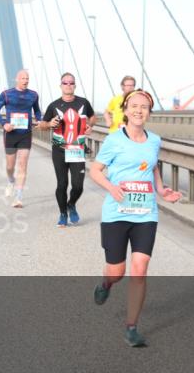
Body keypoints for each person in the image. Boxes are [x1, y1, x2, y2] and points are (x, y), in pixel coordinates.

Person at [90, 89, 181, 347]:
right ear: (126, 110)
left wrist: (162, 190)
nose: (139, 110)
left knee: (139, 270)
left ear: (149, 112)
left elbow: (152, 166)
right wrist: (112, 188)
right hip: (116, 213)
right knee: (117, 272)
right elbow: (95, 171)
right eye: (134, 106)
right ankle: (107, 283)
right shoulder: (114, 140)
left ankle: (131, 327)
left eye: (144, 107)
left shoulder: (154, 140)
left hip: (145, 214)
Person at [39, 73, 95, 227]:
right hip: (59, 150)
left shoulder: (83, 102)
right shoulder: (53, 105)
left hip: (77, 149)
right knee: (62, 184)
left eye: (71, 83)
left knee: (78, 186)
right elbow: (42, 125)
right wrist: (49, 124)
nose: (68, 85)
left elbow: (92, 117)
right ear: (61, 85)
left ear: (75, 85)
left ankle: (71, 204)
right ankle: (63, 213)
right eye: (65, 83)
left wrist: (90, 125)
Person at [0, 70, 42, 208]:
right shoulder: (7, 94)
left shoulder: (33, 95)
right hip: (11, 134)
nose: (25, 80)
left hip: (26, 133)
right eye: (23, 78)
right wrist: (4, 124)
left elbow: (37, 111)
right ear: (16, 79)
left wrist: (40, 120)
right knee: (10, 166)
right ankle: (10, 180)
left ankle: (19, 197)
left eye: (27, 78)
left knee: (22, 165)